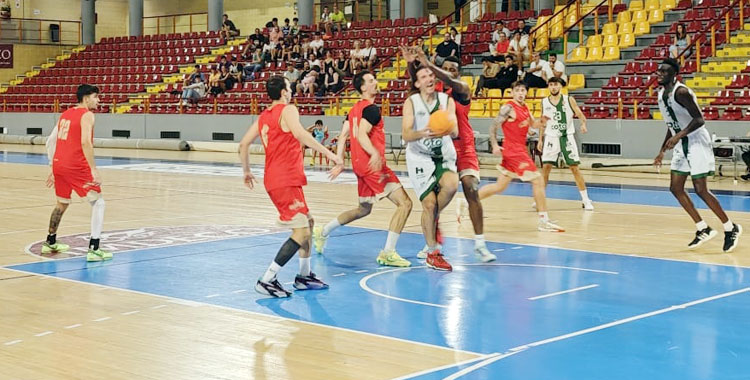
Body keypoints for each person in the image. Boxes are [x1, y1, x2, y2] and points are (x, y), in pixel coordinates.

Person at [239, 76, 343, 298]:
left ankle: (304, 276)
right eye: (289, 86)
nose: (292, 90)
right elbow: (300, 134)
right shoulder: (288, 110)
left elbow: (244, 144)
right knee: (302, 230)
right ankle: (267, 279)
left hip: (282, 178)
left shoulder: (264, 116)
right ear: (284, 92)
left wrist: (246, 170)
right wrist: (331, 154)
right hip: (283, 179)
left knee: (309, 222)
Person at [404, 46, 497, 263]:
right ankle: (432, 241)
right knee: (433, 201)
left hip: (464, 149)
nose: (447, 72)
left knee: (471, 188)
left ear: (458, 73)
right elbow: (415, 84)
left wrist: (430, 65)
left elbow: (448, 79)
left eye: (451, 70)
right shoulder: (434, 94)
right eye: (444, 68)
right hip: (439, 150)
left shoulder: (462, 88)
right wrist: (412, 64)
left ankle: (480, 244)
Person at [314, 71, 414, 267]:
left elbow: (343, 136)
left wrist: (340, 161)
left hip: (359, 167)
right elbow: (361, 135)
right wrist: (374, 153)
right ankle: (388, 252)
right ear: (362, 88)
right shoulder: (371, 110)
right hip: (372, 166)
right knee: (405, 204)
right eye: (370, 81)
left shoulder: (353, 111)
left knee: (363, 209)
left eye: (375, 79)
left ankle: (322, 231)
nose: (375, 82)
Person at [653, 58, 741, 252]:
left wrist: (679, 135)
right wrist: (661, 151)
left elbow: (699, 120)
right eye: (658, 71)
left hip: (696, 142)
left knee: (701, 189)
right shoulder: (661, 95)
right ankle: (703, 228)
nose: (659, 74)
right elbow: (671, 124)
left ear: (673, 74)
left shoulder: (681, 92)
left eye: (664, 72)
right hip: (681, 143)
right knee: (675, 188)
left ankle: (730, 227)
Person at [477, 81, 565, 232]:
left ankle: (467, 203)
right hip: (513, 151)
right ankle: (544, 220)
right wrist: (494, 145)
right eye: (517, 90)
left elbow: (533, 125)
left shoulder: (525, 107)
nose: (520, 93)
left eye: (523, 90)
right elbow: (493, 126)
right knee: (538, 180)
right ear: (512, 92)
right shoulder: (508, 107)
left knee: (499, 187)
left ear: (526, 92)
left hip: (519, 150)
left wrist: (541, 122)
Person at [42, 84, 111, 262]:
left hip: (59, 165)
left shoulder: (65, 114)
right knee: (98, 203)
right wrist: (93, 169)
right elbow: (85, 142)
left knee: (62, 203)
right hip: (76, 166)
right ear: (86, 98)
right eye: (96, 97)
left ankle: (50, 241)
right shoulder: (87, 115)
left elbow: (50, 141)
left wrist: (53, 166)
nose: (99, 100)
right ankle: (94, 248)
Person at [402, 61, 460, 271]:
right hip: (419, 157)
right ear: (417, 83)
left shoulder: (446, 101)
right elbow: (406, 134)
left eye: (431, 75)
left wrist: (447, 129)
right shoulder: (411, 102)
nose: (429, 79)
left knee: (452, 185)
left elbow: (455, 132)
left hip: (442, 154)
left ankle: (432, 220)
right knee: (428, 204)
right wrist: (424, 132)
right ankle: (432, 251)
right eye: (424, 76)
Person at [539, 77, 593, 210]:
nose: (553, 87)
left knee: (574, 168)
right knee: (545, 168)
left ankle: (586, 200)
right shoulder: (544, 102)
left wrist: (583, 124)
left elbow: (579, 113)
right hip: (551, 137)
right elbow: (542, 122)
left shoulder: (569, 99)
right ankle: (539, 199)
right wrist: (540, 139)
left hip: (566, 136)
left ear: (560, 86)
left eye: (555, 84)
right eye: (550, 85)